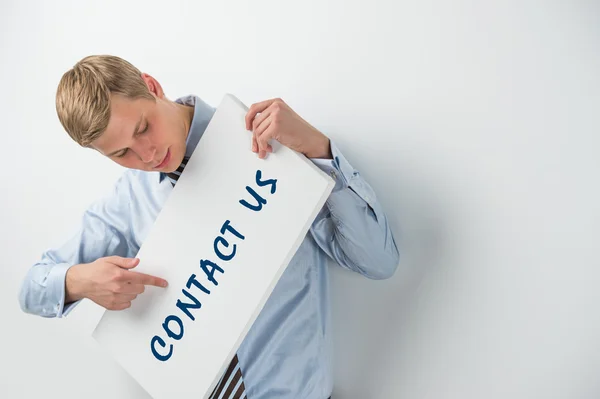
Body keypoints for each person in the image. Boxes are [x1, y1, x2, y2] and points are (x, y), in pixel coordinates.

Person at [18, 55, 399, 399]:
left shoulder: (268, 146)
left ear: (151, 86)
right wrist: (79, 281)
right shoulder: (128, 203)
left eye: (143, 128)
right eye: (122, 154)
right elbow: (32, 287)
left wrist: (318, 149)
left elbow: (378, 262)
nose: (147, 155)